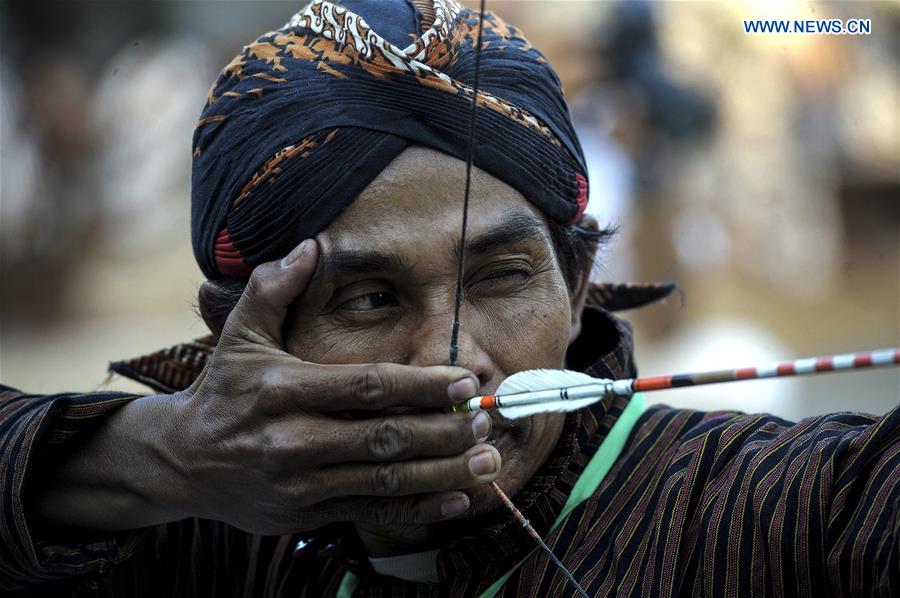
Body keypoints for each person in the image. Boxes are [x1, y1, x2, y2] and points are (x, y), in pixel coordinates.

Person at [2, 1, 898, 596]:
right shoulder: (187, 538)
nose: (453, 363)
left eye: (506, 276)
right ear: (239, 332)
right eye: (365, 298)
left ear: (576, 280)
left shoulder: (775, 513)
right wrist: (164, 459)